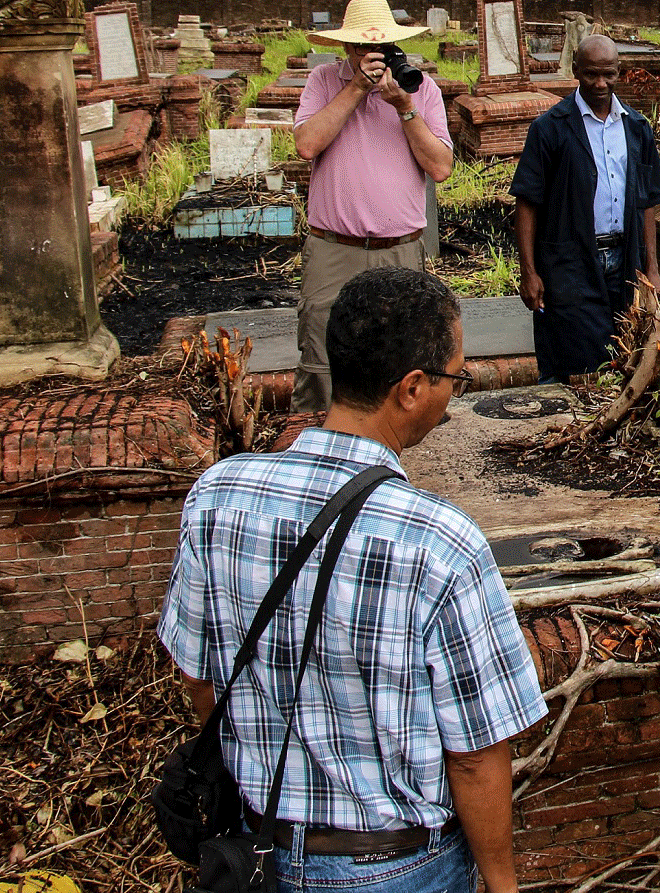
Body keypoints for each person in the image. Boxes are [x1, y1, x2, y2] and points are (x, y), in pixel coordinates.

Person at [160, 267, 546, 893]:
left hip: (257, 854)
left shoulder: (217, 498)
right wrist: (501, 883)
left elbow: (201, 677)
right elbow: (475, 756)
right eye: (455, 377)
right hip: (395, 866)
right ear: (412, 388)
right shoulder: (441, 545)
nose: (456, 390)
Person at [292, 0, 455, 413]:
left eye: (381, 47)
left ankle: (392, 460)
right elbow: (307, 144)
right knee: (321, 359)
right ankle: (315, 451)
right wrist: (356, 88)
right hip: (334, 249)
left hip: (398, 249)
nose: (373, 56)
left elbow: (440, 168)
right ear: (346, 48)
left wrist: (404, 107)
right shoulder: (324, 81)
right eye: (363, 47)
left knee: (403, 359)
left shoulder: (422, 89)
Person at [509, 34, 660, 382]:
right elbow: (526, 202)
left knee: (624, 351)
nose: (600, 84)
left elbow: (646, 202)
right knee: (577, 360)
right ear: (575, 71)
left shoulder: (636, 128)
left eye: (609, 75)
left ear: (619, 73)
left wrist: (652, 268)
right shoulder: (551, 129)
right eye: (591, 75)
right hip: (570, 261)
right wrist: (529, 271)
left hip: (624, 258)